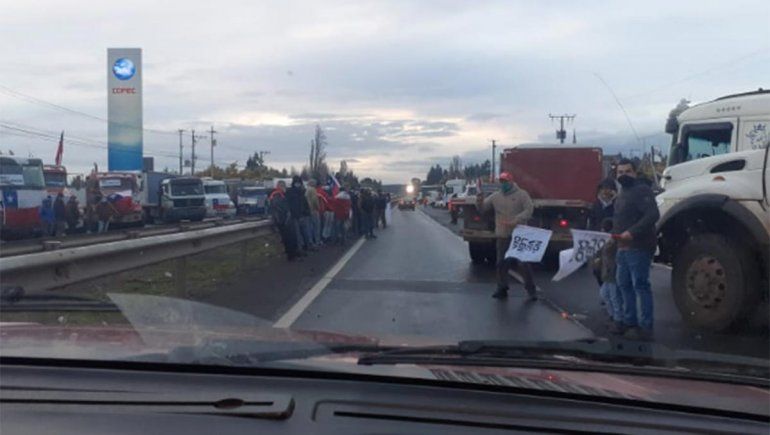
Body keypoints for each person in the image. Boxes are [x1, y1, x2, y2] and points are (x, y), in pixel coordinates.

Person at [612, 158, 660, 340]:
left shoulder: (641, 190)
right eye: (620, 172)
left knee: (640, 285)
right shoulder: (623, 191)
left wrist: (632, 232)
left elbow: (653, 215)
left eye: (627, 171)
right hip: (622, 246)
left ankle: (645, 327)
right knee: (623, 283)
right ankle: (629, 321)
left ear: (634, 172)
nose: (623, 175)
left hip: (639, 246)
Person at [476, 171, 537, 300]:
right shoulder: (495, 197)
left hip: (519, 235)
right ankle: (502, 288)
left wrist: (517, 219)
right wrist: (479, 199)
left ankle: (531, 290)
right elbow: (482, 209)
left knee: (523, 264)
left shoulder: (522, 194)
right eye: (501, 182)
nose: (503, 184)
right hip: (503, 235)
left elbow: (529, 209)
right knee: (501, 263)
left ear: (511, 181)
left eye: (505, 181)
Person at [592, 218, 623, 331]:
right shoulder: (609, 240)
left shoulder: (613, 240)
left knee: (614, 297)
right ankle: (613, 316)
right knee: (605, 294)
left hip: (612, 271)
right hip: (608, 271)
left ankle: (618, 319)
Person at [269, 181, 299, 261]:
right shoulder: (277, 195)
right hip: (283, 221)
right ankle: (291, 256)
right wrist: (284, 219)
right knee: (288, 239)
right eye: (283, 186)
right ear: (280, 186)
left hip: (284, 220)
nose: (284, 188)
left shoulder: (279, 195)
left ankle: (292, 254)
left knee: (290, 239)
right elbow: (280, 209)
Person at [286, 176, 313, 253]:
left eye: (298, 183)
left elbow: (304, 203)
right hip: (297, 216)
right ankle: (302, 247)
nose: (297, 184)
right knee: (300, 233)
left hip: (300, 215)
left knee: (303, 233)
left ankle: (304, 247)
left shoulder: (299, 192)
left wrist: (307, 212)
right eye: (297, 183)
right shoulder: (296, 192)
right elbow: (302, 204)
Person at [305, 179, 322, 247]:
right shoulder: (313, 190)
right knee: (317, 226)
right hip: (314, 210)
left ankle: (310, 241)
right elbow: (315, 200)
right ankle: (317, 241)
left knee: (309, 227)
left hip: (308, 210)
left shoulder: (306, 190)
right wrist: (318, 207)